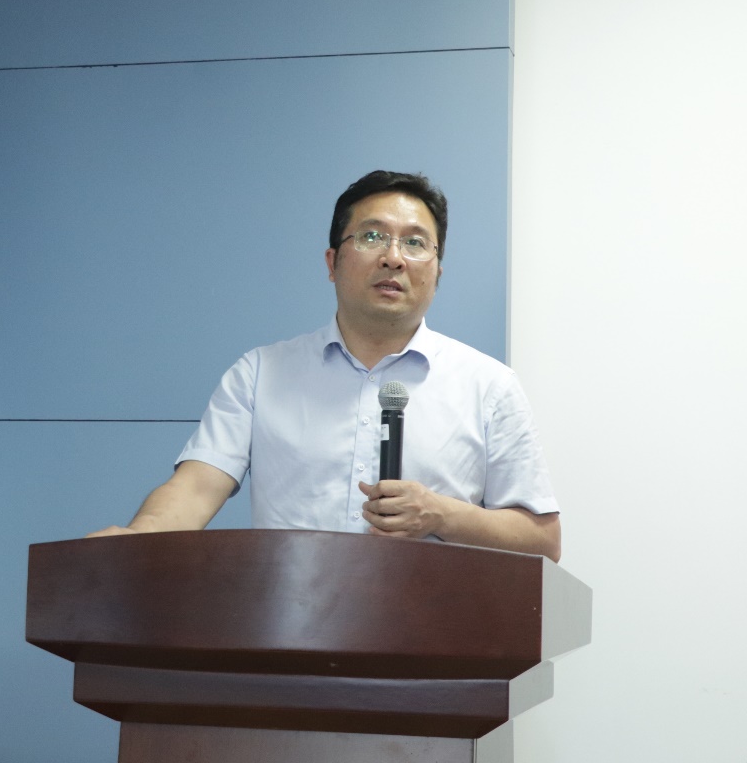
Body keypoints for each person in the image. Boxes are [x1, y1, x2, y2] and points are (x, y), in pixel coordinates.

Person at [88, 171, 561, 560]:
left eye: (416, 243)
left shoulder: (489, 386)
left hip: (436, 635)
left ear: (437, 272)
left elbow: (543, 540)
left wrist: (442, 514)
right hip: (290, 628)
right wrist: (137, 537)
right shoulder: (260, 374)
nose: (394, 258)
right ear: (332, 262)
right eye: (372, 236)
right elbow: (195, 488)